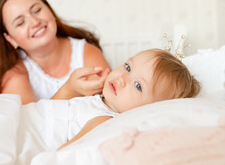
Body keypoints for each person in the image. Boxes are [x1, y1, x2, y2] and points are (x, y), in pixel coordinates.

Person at [0, 0, 111, 104]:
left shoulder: (86, 51)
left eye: (37, 10)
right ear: (11, 39)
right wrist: (70, 90)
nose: (35, 22)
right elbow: (29, 122)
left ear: (50, 10)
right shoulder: (14, 72)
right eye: (20, 23)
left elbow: (107, 105)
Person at [56, 48, 201, 149]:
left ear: (148, 109)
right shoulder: (99, 99)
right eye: (128, 68)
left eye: (138, 86)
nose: (121, 79)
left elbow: (64, 154)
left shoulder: (102, 121)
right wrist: (72, 88)